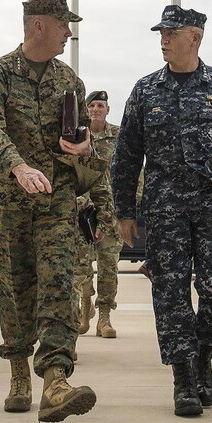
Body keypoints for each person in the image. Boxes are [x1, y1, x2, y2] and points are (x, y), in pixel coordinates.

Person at [111, 5, 212, 418]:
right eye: (161, 33)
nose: (162, 39)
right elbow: (126, 154)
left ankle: (202, 353)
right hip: (164, 209)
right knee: (171, 293)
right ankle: (183, 379)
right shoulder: (146, 90)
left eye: (171, 33)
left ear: (194, 38)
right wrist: (124, 209)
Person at [0, 0, 98, 423]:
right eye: (64, 24)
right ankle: (18, 372)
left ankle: (56, 380)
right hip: (9, 202)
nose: (70, 32)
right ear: (40, 25)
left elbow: (82, 139)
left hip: (57, 201)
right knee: (14, 287)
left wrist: (83, 148)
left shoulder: (70, 81)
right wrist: (18, 166)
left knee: (58, 281)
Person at [73, 90, 120, 339]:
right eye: (91, 106)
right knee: (81, 265)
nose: (95, 110)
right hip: (83, 210)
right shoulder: (80, 136)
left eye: (100, 105)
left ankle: (104, 316)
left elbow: (129, 169)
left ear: (107, 110)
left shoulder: (118, 136)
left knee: (108, 266)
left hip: (111, 211)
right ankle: (84, 307)